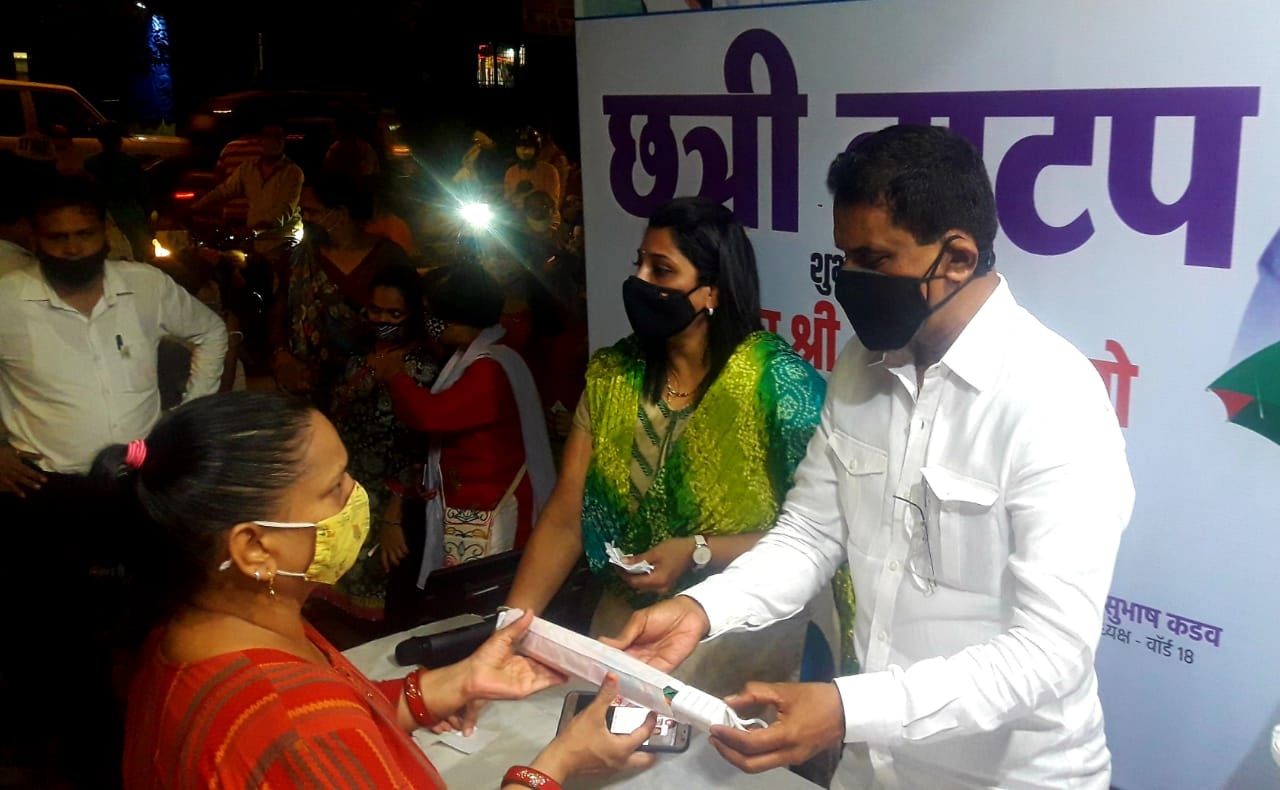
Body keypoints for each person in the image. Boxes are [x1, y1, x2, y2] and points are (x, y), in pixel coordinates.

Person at [608, 125, 1136, 789]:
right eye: (845, 259)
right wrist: (704, 610)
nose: (850, 281)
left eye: (874, 260)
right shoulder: (862, 365)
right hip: (875, 764)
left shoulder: (1052, 400)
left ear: (958, 258)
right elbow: (808, 536)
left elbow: (1050, 653)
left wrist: (847, 706)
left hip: (1009, 776)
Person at [102, 391, 656, 788]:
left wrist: (453, 683)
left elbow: (344, 711)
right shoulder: (294, 729)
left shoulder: (203, 633)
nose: (358, 496)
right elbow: (318, 734)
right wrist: (558, 763)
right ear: (253, 549)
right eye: (335, 486)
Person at [504, 196, 830, 699]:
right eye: (639, 264)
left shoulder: (778, 386)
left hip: (739, 636)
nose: (641, 282)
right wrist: (511, 629)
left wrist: (698, 551)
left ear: (711, 291)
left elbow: (816, 538)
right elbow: (567, 515)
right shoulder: (614, 375)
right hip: (623, 628)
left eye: (662, 269)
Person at [0, 174, 227, 786]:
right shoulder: (5, 298)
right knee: (64, 640)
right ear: (34, 236)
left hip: (137, 486)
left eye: (84, 233)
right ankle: (91, 766)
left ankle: (167, 744)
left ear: (105, 231)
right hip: (48, 493)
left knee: (157, 622)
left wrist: (182, 422)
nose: (73, 248)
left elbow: (210, 332)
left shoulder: (144, 286)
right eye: (58, 237)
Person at [371, 263, 555, 606]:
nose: (426, 321)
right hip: (470, 502)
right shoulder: (480, 358)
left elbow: (431, 416)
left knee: (479, 597)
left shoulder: (489, 368)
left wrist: (396, 377)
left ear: (452, 315)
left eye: (429, 312)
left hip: (487, 508)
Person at [309, 264, 439, 640]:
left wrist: (395, 514)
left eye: (394, 313)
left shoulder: (419, 365)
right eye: (375, 310)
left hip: (392, 498)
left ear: (413, 315)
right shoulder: (356, 356)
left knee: (380, 606)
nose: (381, 319)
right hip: (348, 486)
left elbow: (415, 441)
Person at [271, 173, 414, 412]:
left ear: (340, 213)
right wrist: (282, 355)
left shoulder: (386, 258)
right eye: (301, 212)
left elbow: (409, 323)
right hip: (310, 394)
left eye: (312, 212)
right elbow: (279, 312)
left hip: (374, 394)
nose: (304, 219)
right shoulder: (299, 259)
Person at [189, 122, 303, 260]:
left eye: (277, 136)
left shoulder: (293, 173)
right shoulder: (248, 168)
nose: (273, 140)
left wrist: (255, 230)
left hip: (283, 240)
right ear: (260, 139)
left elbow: (284, 210)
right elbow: (224, 191)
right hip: (256, 240)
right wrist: (194, 208)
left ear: (283, 140)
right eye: (268, 136)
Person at [84, 121, 152, 262]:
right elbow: (142, 191)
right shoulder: (130, 163)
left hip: (113, 210)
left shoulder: (91, 163)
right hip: (123, 211)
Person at [503, 126, 561, 228]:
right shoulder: (511, 172)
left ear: (536, 149)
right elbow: (507, 199)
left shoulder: (548, 171)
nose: (524, 151)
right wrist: (516, 192)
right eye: (520, 147)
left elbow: (552, 200)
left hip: (542, 219)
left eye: (529, 147)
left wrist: (534, 195)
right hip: (517, 220)